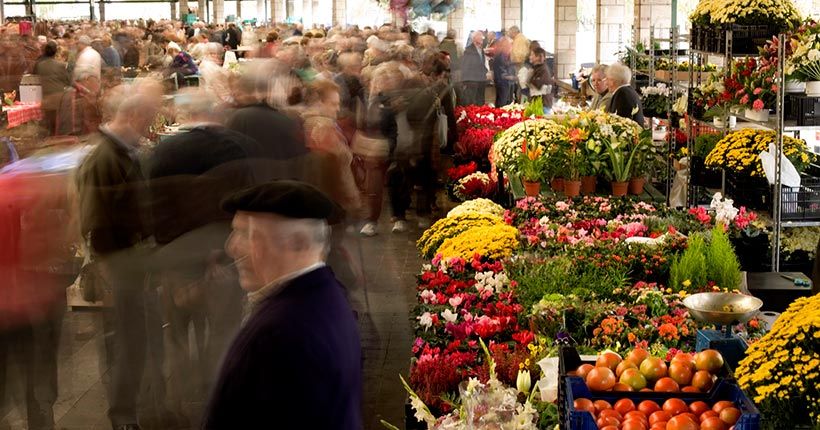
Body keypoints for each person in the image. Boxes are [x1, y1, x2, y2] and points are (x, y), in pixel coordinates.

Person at [202, 181, 362, 430]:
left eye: (246, 234)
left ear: (297, 243)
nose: (231, 247)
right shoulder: (328, 295)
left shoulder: (279, 331)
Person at [75, 90, 162, 430]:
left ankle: (131, 402)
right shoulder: (104, 157)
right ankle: (123, 413)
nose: (150, 125)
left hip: (131, 257)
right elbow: (93, 217)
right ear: (134, 116)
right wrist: (107, 261)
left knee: (131, 334)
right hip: (121, 259)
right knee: (129, 336)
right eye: (149, 117)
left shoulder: (121, 152)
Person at [34, 40, 71, 135]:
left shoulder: (39, 65)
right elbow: (68, 81)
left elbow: (36, 78)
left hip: (45, 99)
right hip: (59, 100)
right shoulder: (61, 66)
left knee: (48, 124)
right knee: (57, 126)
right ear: (56, 52)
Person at [518, 47, 554, 112]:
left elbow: (538, 85)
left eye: (532, 55)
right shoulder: (535, 68)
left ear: (537, 57)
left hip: (543, 105)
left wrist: (529, 77)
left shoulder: (543, 69)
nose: (530, 57)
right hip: (536, 103)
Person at [459, 31, 488, 106]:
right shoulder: (468, 50)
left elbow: (481, 63)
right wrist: (465, 80)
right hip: (472, 80)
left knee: (480, 101)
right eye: (480, 37)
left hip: (481, 79)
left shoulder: (481, 49)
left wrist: (486, 71)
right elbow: (465, 65)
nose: (482, 39)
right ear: (474, 39)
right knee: (471, 102)